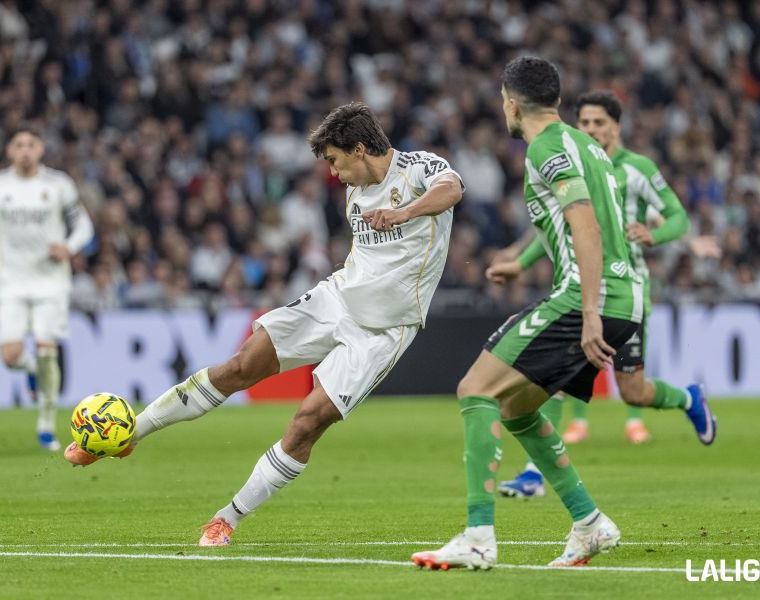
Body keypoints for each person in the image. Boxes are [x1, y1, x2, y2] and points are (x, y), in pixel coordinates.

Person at [63, 102, 465, 547]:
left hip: (383, 331)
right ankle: (127, 435)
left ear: (358, 148)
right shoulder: (353, 190)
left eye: (334, 160)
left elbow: (452, 190)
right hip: (336, 300)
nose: (333, 172)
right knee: (239, 366)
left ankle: (226, 518)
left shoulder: (420, 168)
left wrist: (405, 213)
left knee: (307, 422)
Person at [412, 56, 711, 571]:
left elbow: (585, 226)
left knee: (475, 389)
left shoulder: (547, 147)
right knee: (518, 409)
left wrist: (590, 310)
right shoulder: (588, 146)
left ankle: (479, 536)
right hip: (628, 295)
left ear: (510, 102)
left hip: (587, 297)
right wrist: (524, 260)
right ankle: (589, 523)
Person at [492, 91, 716, 500]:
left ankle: (688, 398)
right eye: (585, 123)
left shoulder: (637, 169)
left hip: (625, 293)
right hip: (580, 289)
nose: (591, 129)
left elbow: (679, 217)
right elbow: (567, 226)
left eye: (599, 123)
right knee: (552, 380)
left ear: (616, 126)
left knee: (634, 391)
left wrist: (655, 233)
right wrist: (521, 264)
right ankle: (533, 473)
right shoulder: (573, 162)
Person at [0, 127, 94, 450]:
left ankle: (46, 424)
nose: (25, 150)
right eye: (18, 144)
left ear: (41, 149)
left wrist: (68, 247)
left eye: (31, 144)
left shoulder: (58, 185)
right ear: (10, 151)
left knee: (45, 347)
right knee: (11, 356)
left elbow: (84, 225)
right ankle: (31, 372)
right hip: (10, 283)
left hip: (51, 282)